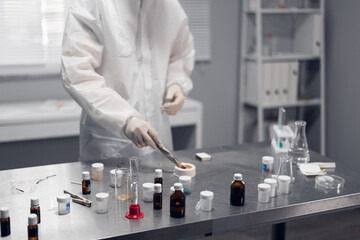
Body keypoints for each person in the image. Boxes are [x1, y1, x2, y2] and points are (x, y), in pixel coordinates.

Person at [61, 0, 194, 161]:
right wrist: (125, 119)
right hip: (110, 144)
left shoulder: (168, 6)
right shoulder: (93, 4)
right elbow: (78, 72)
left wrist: (176, 83)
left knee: (159, 183)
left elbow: (180, 54)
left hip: (158, 136)